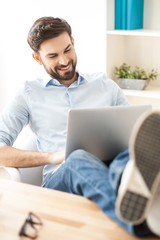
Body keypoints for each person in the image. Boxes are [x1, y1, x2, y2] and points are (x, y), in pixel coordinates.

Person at [0, 17, 159, 238]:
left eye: (67, 49)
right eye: (53, 56)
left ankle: (133, 189)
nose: (65, 60)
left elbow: (135, 133)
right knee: (77, 157)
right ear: (37, 58)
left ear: (73, 42)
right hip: (61, 178)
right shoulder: (27, 93)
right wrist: (52, 157)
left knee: (129, 152)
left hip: (109, 166)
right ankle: (140, 224)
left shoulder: (104, 85)